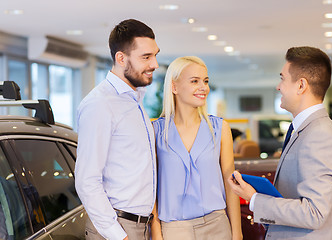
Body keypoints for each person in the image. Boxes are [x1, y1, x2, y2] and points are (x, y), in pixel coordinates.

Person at [228, 46, 332, 239]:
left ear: (301, 85)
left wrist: (254, 199)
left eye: (282, 78)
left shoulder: (319, 135)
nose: (278, 87)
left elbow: (314, 213)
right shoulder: (306, 130)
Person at [75, 19, 160, 240]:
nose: (155, 64)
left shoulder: (135, 99)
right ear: (121, 58)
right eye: (146, 57)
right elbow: (87, 180)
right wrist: (118, 236)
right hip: (118, 228)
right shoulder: (100, 104)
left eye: (155, 55)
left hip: (141, 225)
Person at [151, 56, 242, 240]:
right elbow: (150, 188)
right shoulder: (156, 132)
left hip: (217, 225)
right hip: (174, 230)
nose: (204, 87)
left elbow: (230, 183)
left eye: (205, 81)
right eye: (194, 81)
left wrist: (237, 233)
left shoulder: (219, 128)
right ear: (174, 87)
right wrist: (156, 233)